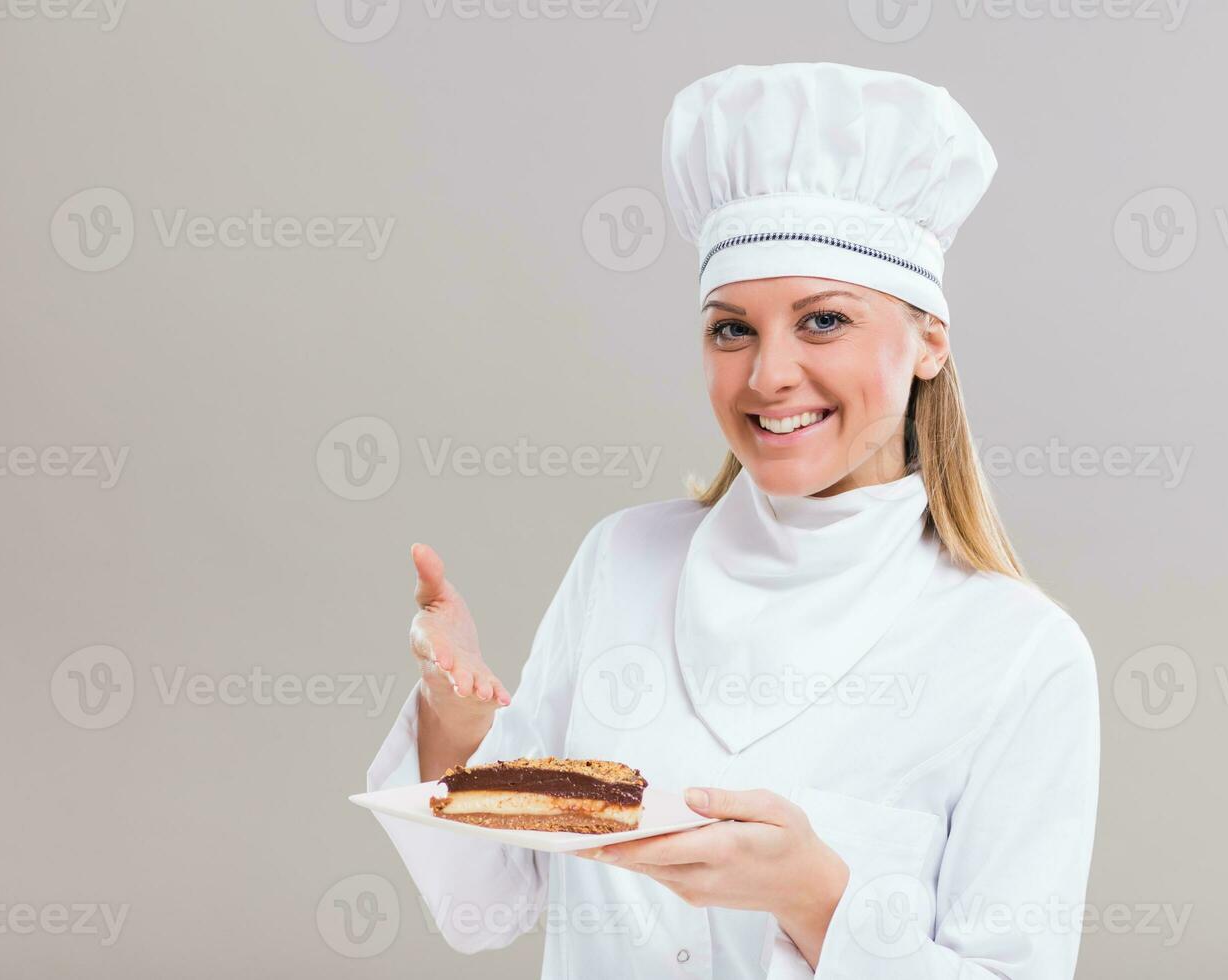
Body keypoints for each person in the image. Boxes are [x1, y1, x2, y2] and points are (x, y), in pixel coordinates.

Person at [365, 61, 1100, 979]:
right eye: (732, 328)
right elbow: (487, 903)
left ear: (928, 342)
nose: (767, 376)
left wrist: (815, 900)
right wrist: (454, 721)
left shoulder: (1020, 653)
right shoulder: (623, 559)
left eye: (823, 320)